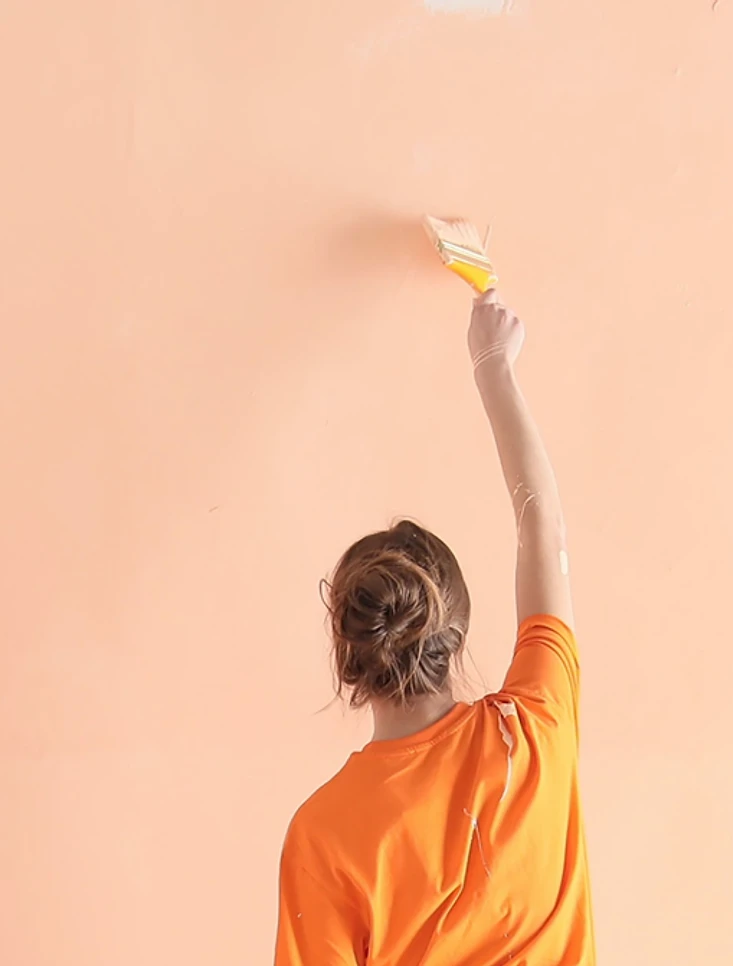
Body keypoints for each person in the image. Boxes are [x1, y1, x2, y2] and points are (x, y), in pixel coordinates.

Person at [276, 291, 593, 964]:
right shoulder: (534, 732)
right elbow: (543, 529)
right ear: (455, 629)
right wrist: (492, 366)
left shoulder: (323, 835)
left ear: (348, 658)